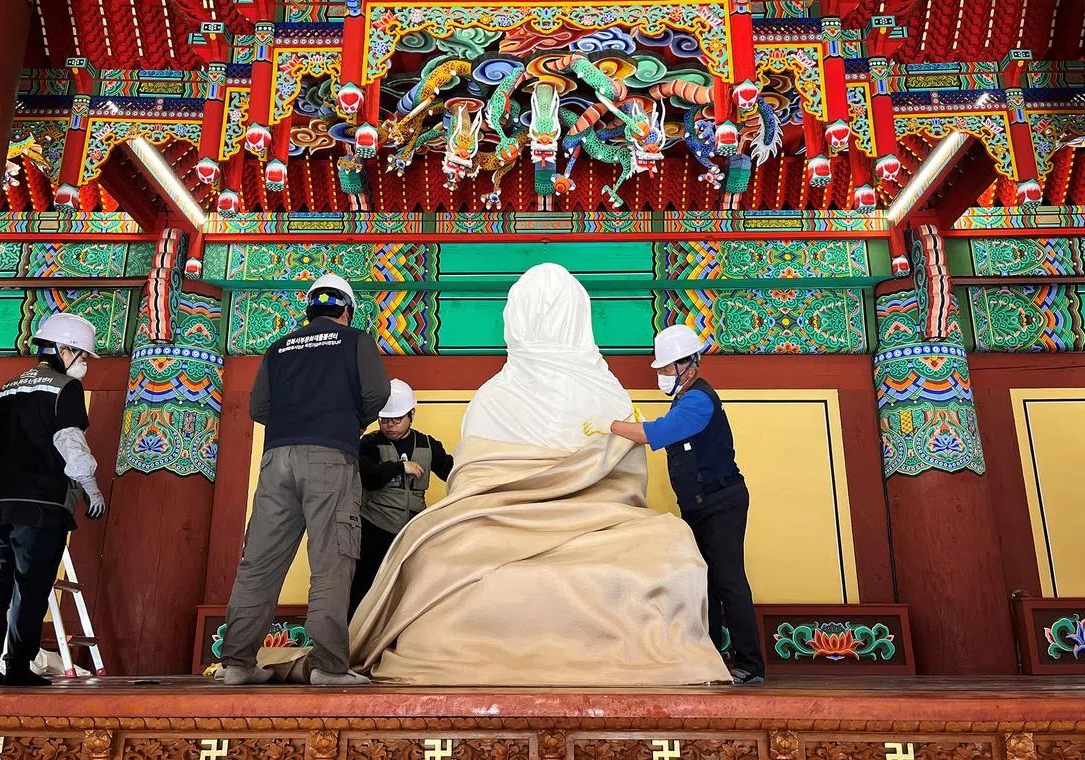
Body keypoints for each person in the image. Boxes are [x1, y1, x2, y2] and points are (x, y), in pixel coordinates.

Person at [350, 264, 730, 685]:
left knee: (440, 560)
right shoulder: (603, 392)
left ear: (516, 318)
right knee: (667, 550)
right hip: (587, 535)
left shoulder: (495, 395)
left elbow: (469, 484)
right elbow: (628, 485)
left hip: (557, 528)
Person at [220, 273, 390, 686]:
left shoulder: (279, 347)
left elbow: (259, 407)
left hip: (277, 461)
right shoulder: (355, 341)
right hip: (330, 458)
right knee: (331, 561)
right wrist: (346, 422)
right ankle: (329, 668)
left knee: (259, 562)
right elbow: (378, 394)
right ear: (346, 310)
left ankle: (238, 664)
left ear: (310, 308)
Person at [0, 313, 106, 687]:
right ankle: (18, 666)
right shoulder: (63, 388)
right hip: (40, 506)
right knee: (31, 584)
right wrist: (92, 488)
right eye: (82, 354)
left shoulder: (4, 390)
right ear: (63, 349)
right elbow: (69, 443)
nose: (83, 362)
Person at [610, 324, 765, 685]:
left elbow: (657, 434)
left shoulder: (698, 400)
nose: (662, 375)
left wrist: (610, 426)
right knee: (705, 581)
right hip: (699, 505)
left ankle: (750, 665)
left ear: (687, 365)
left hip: (721, 503)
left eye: (665, 368)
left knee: (729, 582)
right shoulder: (684, 399)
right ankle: (710, 656)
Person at [350, 379, 453, 616]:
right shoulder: (369, 443)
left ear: (411, 415)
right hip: (374, 529)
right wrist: (399, 467)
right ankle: (354, 643)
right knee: (364, 588)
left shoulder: (428, 444)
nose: (389, 425)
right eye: (384, 419)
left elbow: (450, 470)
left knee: (412, 590)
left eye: (396, 419)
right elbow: (368, 477)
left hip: (413, 531)